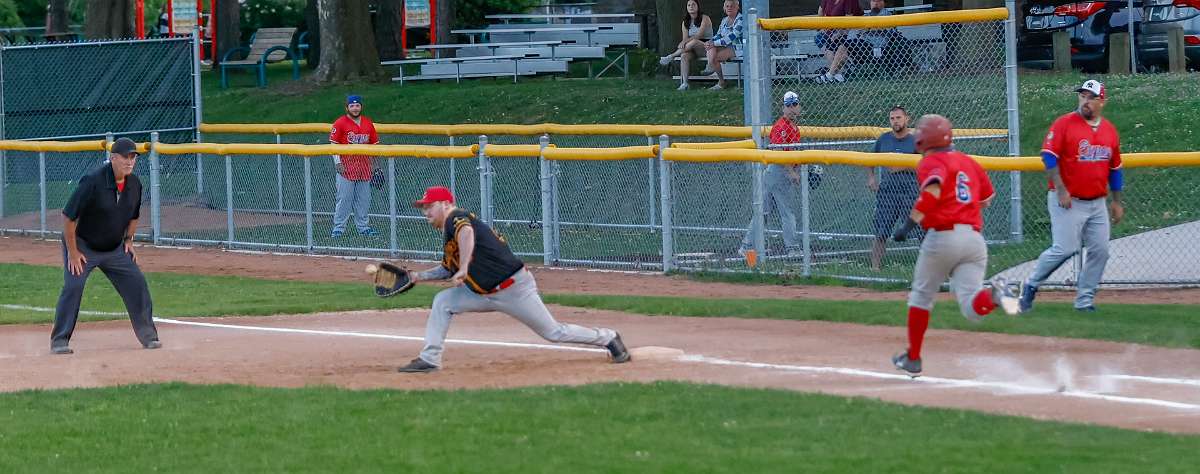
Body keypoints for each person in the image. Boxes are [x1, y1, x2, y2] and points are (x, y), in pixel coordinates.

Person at [397, 186, 631, 373]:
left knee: (553, 332)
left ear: (446, 204)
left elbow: (467, 233)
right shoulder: (449, 236)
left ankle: (609, 338)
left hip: (514, 289)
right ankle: (430, 359)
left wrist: (465, 267)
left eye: (430, 206)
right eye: (423, 207)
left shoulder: (456, 218)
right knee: (443, 301)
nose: (426, 212)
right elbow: (448, 269)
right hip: (483, 293)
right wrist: (418, 276)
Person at [890, 115, 1018, 376]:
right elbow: (987, 198)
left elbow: (933, 190)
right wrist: (963, 206)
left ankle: (913, 358)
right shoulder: (967, 161)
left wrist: (908, 225)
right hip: (974, 240)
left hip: (943, 237)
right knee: (972, 308)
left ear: (924, 139)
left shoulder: (930, 161)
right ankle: (996, 294)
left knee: (921, 297)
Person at [1019, 80, 1124, 313]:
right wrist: (1061, 189)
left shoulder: (1109, 130)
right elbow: (1048, 156)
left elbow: (1115, 168)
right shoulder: (1064, 123)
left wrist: (1117, 202)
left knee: (1100, 251)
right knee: (1064, 249)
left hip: (1097, 202)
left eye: (1091, 97)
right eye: (1082, 96)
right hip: (1068, 200)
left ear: (1102, 102)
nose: (1085, 101)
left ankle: (1084, 301)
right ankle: (1031, 285)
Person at [51, 138, 161, 354]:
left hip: (114, 248)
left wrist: (128, 240)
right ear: (113, 158)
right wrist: (73, 253)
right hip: (83, 246)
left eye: (133, 157)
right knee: (73, 286)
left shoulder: (134, 184)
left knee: (136, 283)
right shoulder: (93, 181)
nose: (129, 161)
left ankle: (149, 336)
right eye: (125, 157)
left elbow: (134, 215)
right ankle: (59, 341)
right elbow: (68, 217)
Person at [738, 91, 805, 257]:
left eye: (794, 105)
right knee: (786, 212)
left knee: (763, 212)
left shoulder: (794, 128)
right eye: (788, 105)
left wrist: (796, 170)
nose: (792, 108)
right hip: (777, 172)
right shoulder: (781, 126)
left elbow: (792, 153)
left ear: (799, 107)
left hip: (779, 173)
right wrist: (791, 172)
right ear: (783, 108)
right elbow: (778, 153)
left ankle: (746, 246)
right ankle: (792, 248)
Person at [866, 106, 919, 271]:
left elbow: (926, 165)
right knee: (881, 232)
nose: (895, 121)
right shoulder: (884, 139)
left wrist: (903, 165)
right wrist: (871, 177)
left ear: (907, 119)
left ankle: (927, 268)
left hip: (910, 192)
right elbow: (869, 159)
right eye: (892, 118)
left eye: (898, 118)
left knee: (921, 231)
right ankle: (875, 268)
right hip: (887, 192)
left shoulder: (915, 140)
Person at [329, 94, 380, 238]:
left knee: (363, 200)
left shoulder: (368, 123)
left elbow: (374, 146)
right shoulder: (340, 123)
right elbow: (333, 144)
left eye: (357, 105)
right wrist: (337, 162)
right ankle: (338, 228)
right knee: (344, 199)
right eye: (352, 106)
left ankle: (363, 227)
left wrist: (376, 166)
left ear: (361, 107)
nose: (355, 108)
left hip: (364, 168)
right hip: (346, 168)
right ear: (347, 108)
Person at [660, 0, 714, 91]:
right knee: (684, 56)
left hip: (707, 48)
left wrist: (684, 41)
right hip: (692, 49)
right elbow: (685, 38)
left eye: (693, 4)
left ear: (698, 6)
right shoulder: (685, 22)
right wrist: (684, 41)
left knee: (695, 41)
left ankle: (671, 56)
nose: (691, 6)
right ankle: (685, 83)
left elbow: (699, 35)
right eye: (689, 5)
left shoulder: (705, 18)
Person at [814, 0, 864, 84]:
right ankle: (838, 75)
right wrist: (822, 27)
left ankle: (829, 75)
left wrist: (839, 33)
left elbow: (849, 21)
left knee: (841, 45)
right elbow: (820, 11)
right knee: (823, 41)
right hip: (834, 30)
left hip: (852, 30)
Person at [700, 0, 743, 91]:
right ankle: (710, 66)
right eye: (727, 6)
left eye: (732, 6)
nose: (729, 8)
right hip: (725, 46)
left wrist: (714, 43)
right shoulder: (724, 20)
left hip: (738, 47)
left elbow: (731, 37)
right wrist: (710, 41)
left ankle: (720, 81)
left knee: (714, 55)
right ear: (724, 8)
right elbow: (719, 35)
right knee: (711, 47)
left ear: (737, 7)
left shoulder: (741, 20)